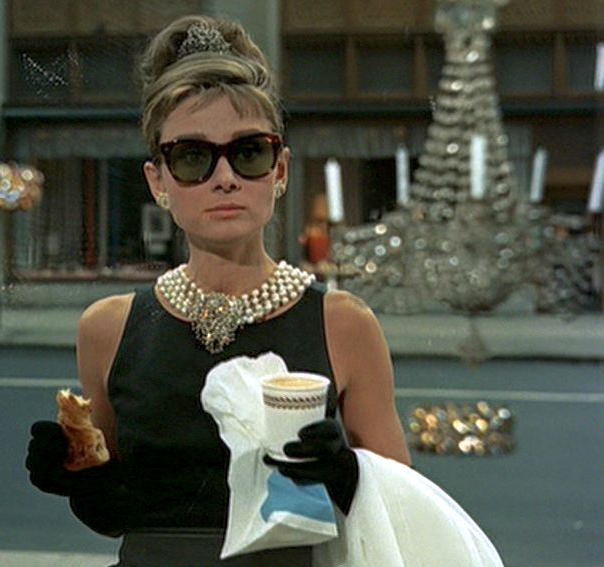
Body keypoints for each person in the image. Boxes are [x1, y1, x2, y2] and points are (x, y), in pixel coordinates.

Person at [26, 14, 411, 566]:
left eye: (248, 152)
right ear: (158, 181)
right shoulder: (108, 328)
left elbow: (403, 512)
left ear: (280, 170)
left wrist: (350, 475)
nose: (224, 178)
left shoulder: (344, 324)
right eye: (193, 158)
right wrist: (77, 477)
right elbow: (117, 515)